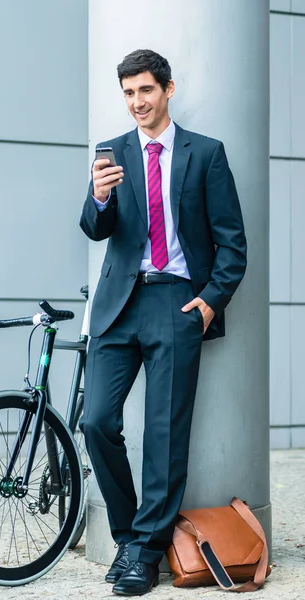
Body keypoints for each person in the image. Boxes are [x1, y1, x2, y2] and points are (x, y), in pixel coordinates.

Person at [79, 49, 247, 596]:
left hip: (177, 302)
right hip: (118, 305)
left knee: (164, 433)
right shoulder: (115, 152)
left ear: (168, 90)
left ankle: (146, 554)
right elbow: (94, 229)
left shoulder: (206, 155)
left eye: (145, 91)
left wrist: (208, 303)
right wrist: (99, 196)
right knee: (97, 421)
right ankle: (130, 535)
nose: (136, 103)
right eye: (128, 93)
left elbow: (232, 245)